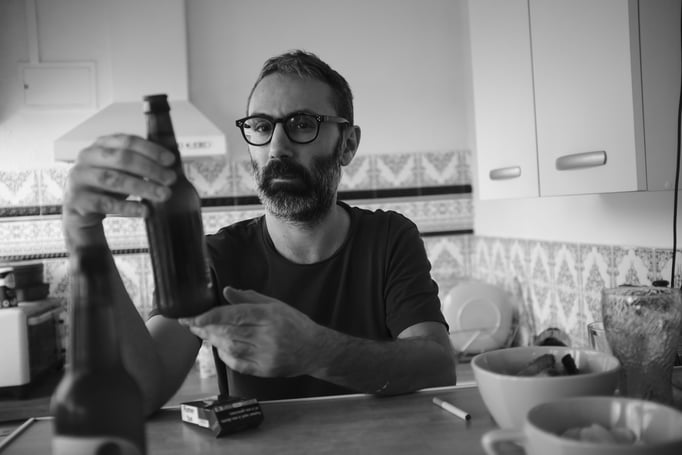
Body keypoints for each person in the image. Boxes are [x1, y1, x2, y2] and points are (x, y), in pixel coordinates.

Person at [62, 50, 457, 414]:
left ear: (347, 145)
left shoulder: (389, 238)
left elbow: (438, 368)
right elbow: (136, 392)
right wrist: (84, 233)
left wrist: (316, 351)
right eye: (262, 126)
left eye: (303, 124)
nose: (277, 147)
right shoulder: (215, 258)